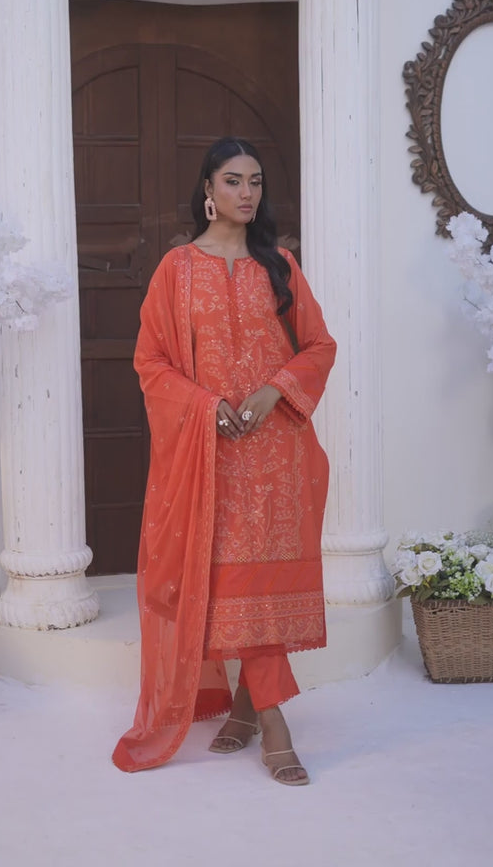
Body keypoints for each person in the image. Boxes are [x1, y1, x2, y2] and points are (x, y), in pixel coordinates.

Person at [112, 137, 336, 785]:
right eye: (233, 180)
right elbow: (150, 360)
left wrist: (274, 390)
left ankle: (247, 708)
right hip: (211, 457)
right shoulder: (176, 269)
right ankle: (273, 722)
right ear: (207, 190)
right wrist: (205, 405)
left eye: (255, 181)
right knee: (230, 584)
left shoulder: (280, 266)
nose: (246, 192)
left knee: (260, 587)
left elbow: (319, 345)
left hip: (276, 450)